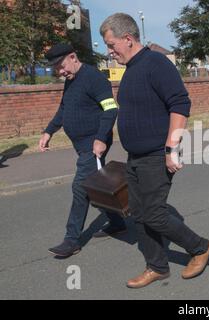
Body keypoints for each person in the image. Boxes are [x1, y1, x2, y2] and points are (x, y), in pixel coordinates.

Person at [100, 13, 209, 289]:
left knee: (153, 213)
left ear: (128, 39)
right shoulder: (130, 71)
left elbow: (180, 104)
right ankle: (157, 267)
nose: (109, 50)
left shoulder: (155, 63)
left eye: (111, 44)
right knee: (137, 213)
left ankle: (200, 248)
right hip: (136, 157)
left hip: (156, 154)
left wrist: (171, 149)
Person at [40, 43, 126, 257]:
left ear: (73, 56)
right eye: (56, 69)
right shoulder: (71, 81)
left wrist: (99, 138)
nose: (60, 72)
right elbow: (64, 108)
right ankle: (117, 221)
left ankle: (72, 240)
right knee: (97, 185)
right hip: (82, 146)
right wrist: (48, 131)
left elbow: (110, 109)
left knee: (80, 188)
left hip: (93, 145)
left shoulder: (94, 78)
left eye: (61, 66)